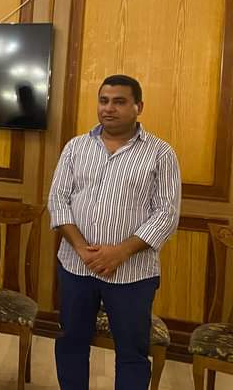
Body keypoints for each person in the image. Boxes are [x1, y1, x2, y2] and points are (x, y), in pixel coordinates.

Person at [48, 74, 181, 390]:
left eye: (119, 102)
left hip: (132, 273)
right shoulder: (76, 147)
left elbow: (166, 214)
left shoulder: (160, 153)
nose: (109, 108)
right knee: (71, 343)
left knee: (132, 353)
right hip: (76, 266)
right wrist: (82, 248)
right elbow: (57, 199)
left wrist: (119, 252)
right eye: (104, 101)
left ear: (138, 107)